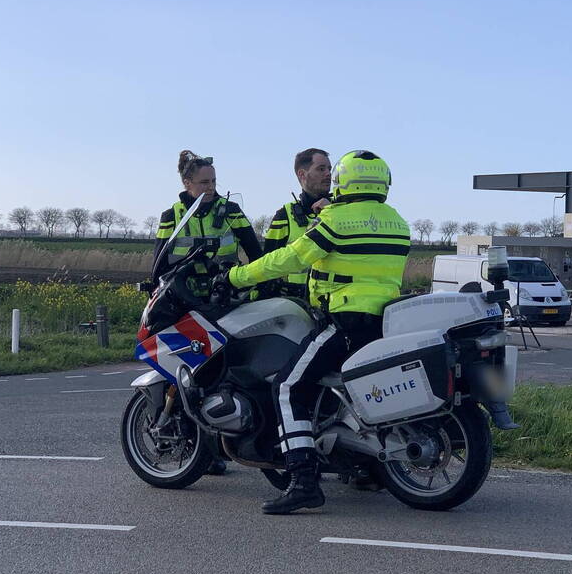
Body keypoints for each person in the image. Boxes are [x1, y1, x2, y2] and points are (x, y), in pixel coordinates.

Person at [217, 150, 409, 514]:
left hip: (345, 319)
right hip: (383, 319)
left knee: (289, 388)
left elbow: (286, 259)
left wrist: (234, 276)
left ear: (344, 180)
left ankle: (303, 480)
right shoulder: (397, 221)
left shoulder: (336, 220)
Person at [154, 150, 263, 475]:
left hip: (224, 299)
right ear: (187, 183)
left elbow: (255, 252)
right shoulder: (171, 215)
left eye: (214, 181)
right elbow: (158, 262)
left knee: (223, 371)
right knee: (187, 375)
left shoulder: (230, 211)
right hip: (184, 303)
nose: (211, 187)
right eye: (204, 182)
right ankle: (199, 447)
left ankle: (229, 437)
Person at [262, 148, 333, 298]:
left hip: (337, 305)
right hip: (298, 306)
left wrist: (332, 211)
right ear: (302, 174)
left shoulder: (342, 211)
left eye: (329, 169)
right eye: (321, 169)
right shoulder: (284, 216)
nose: (328, 174)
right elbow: (266, 265)